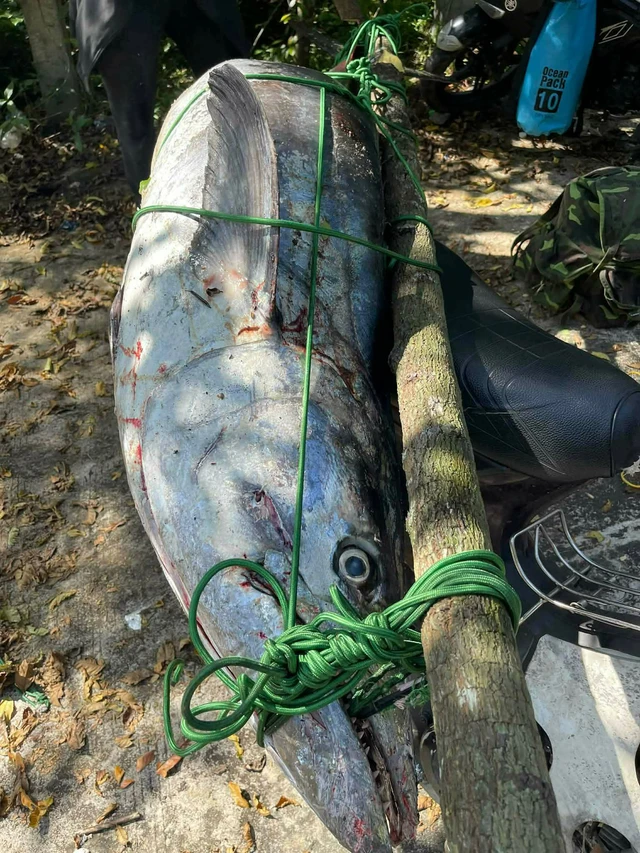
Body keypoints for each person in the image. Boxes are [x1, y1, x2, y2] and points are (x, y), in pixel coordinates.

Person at [69, 0, 250, 198]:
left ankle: (250, 188)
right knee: (133, 124)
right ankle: (152, 213)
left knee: (233, 93)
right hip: (116, 9)